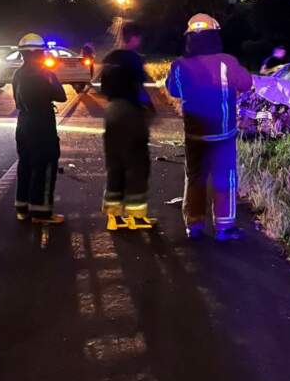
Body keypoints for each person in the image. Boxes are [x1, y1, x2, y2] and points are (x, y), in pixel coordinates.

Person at [166, 13, 252, 241]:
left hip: (194, 134)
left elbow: (173, 90)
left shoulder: (178, 65)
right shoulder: (227, 62)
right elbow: (246, 83)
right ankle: (224, 228)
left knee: (195, 178)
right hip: (223, 133)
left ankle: (193, 225)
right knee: (225, 178)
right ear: (215, 37)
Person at [100, 21, 155, 230]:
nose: (140, 41)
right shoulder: (133, 59)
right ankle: (137, 217)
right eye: (138, 38)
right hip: (130, 113)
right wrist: (150, 108)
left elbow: (104, 89)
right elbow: (139, 88)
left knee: (115, 165)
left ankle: (114, 217)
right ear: (132, 37)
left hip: (112, 112)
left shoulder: (109, 59)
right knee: (138, 164)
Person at [12, 32, 67, 224]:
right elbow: (61, 96)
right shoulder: (44, 74)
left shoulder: (18, 74)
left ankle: (22, 209)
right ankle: (42, 213)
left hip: (23, 125)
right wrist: (51, 77)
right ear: (38, 53)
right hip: (42, 125)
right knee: (45, 166)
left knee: (25, 164)